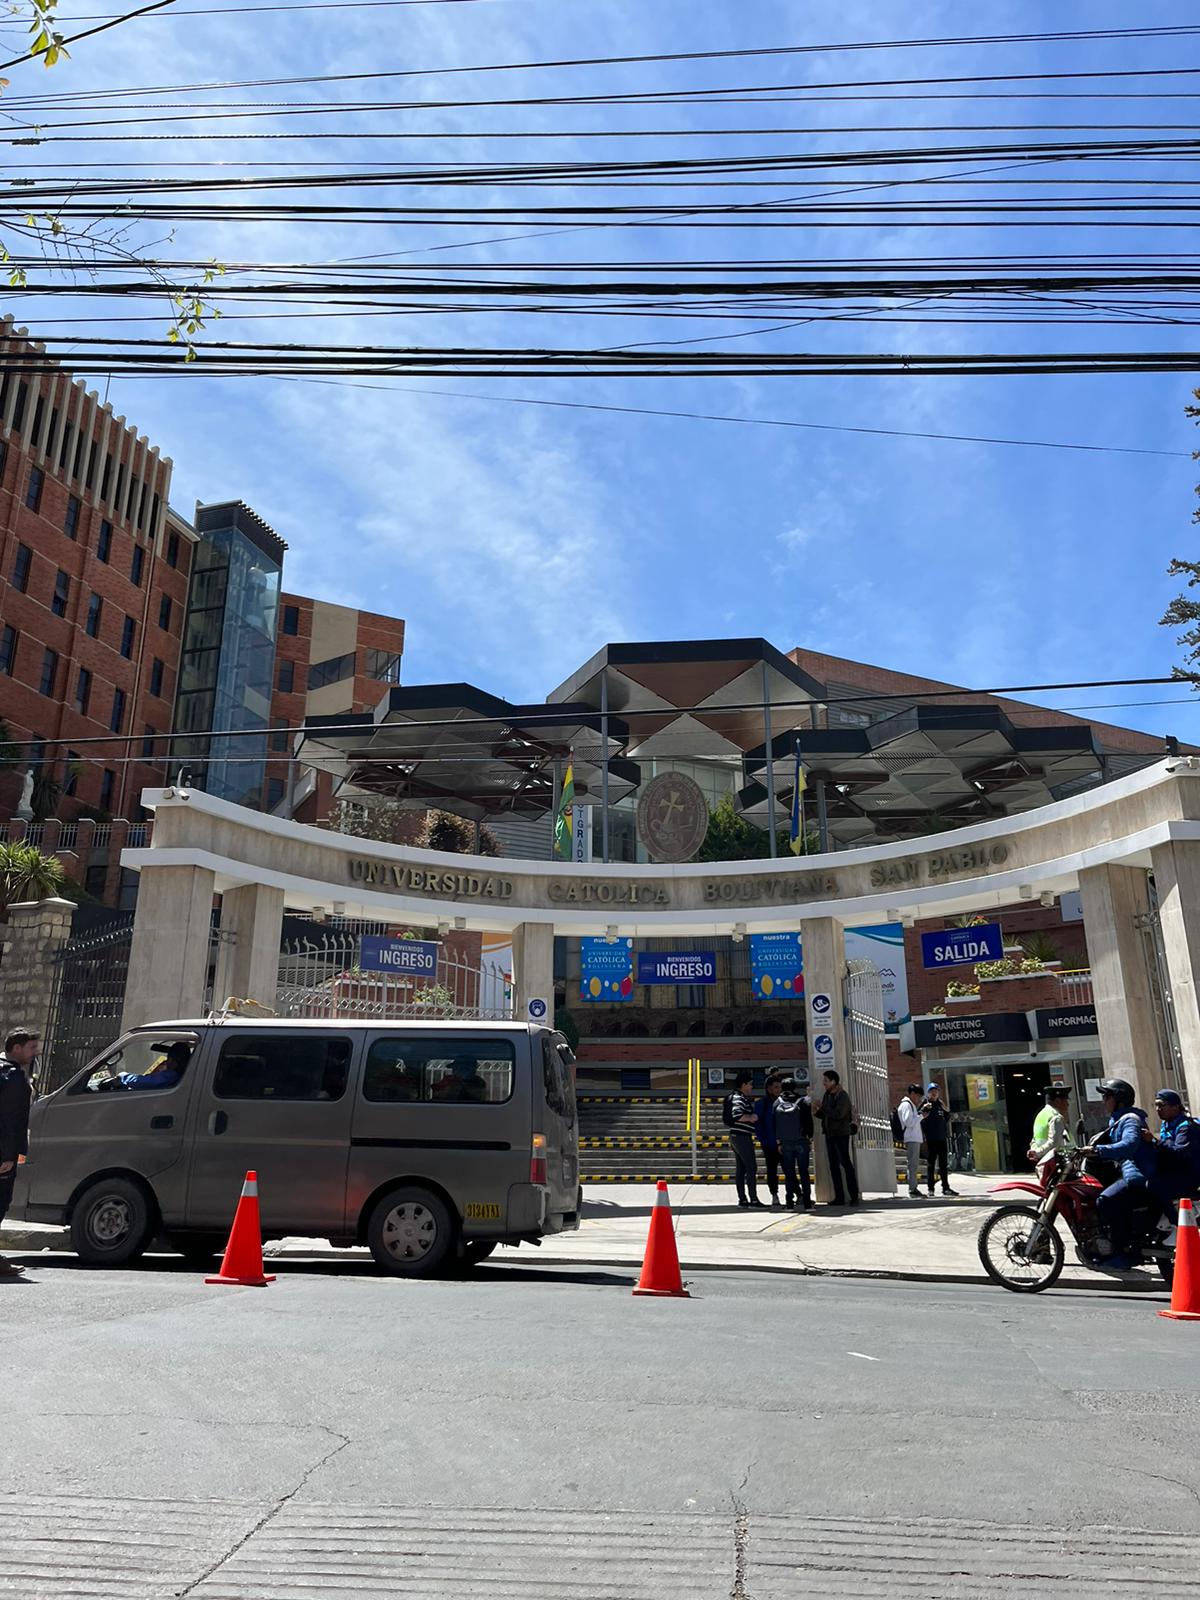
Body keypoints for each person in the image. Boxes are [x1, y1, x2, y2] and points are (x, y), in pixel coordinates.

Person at [1085, 1077, 1157, 1270]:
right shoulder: (1118, 1119)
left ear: (1119, 1100)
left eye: (1107, 1097)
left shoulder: (1130, 1120)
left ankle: (1124, 1252)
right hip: (1127, 1171)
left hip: (1137, 1175)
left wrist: (1099, 1151)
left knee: (1106, 1200)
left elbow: (1129, 1144)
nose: (1104, 1101)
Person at [0, 1027, 40, 1280]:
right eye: (31, 1048)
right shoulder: (13, 1076)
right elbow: (8, 1119)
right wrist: (7, 1156)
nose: (35, 1052)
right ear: (16, 1048)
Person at [1145, 1088, 1200, 1222]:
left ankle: (1176, 1222)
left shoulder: (1185, 1126)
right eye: (1156, 1105)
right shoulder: (1166, 1124)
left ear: (1175, 1107)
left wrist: (1155, 1141)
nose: (1158, 1109)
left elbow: (1179, 1153)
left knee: (1154, 1185)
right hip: (1173, 1171)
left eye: (1161, 1105)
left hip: (1188, 1175)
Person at [814, 1068, 859, 1206]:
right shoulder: (827, 1095)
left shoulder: (842, 1096)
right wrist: (817, 1111)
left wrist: (823, 1108)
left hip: (841, 1134)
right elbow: (826, 1115)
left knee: (845, 1163)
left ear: (834, 1082)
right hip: (829, 1134)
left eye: (826, 1081)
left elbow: (839, 1114)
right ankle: (839, 1197)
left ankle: (854, 1196)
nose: (824, 1083)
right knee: (833, 1166)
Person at [774, 1077, 814, 1210]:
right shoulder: (802, 1102)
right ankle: (807, 1203)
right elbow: (808, 1122)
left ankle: (789, 1203)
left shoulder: (777, 1102)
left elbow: (774, 1123)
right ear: (795, 1087)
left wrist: (778, 1141)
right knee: (804, 1173)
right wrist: (810, 1139)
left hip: (785, 1142)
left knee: (789, 1173)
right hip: (801, 1141)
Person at [726, 1070, 761, 1209]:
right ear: (744, 1084)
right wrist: (752, 1117)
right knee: (751, 1167)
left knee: (741, 1168)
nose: (752, 1087)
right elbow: (737, 1115)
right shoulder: (738, 1098)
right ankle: (753, 1200)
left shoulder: (737, 1097)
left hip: (736, 1136)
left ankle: (743, 1199)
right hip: (741, 1136)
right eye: (750, 1084)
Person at [920, 1081, 958, 1197]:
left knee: (943, 1164)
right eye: (932, 1091)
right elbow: (918, 1117)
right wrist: (924, 1109)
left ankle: (945, 1187)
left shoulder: (940, 1104)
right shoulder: (925, 1104)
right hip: (931, 1139)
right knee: (931, 1164)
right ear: (928, 1093)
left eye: (936, 1091)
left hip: (941, 1138)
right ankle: (930, 1188)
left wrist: (947, 1110)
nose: (934, 1093)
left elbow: (947, 1118)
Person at [755, 1073, 784, 1209]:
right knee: (772, 1170)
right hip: (769, 1144)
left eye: (780, 1087)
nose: (779, 1090)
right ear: (769, 1088)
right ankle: (774, 1194)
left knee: (788, 1169)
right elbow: (758, 1126)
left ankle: (797, 1194)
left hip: (784, 1144)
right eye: (776, 1087)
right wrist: (765, 1141)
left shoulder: (783, 1102)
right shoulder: (762, 1104)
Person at [1029, 1084, 1075, 1166]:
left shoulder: (1040, 1115)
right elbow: (1054, 1144)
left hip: (1044, 1162)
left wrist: (1035, 1151)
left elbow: (1034, 1140)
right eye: (1066, 1100)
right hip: (1057, 1163)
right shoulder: (1056, 1117)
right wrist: (1037, 1153)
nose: (1068, 1104)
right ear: (1057, 1101)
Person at [897, 1083, 926, 1199]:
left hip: (914, 1138)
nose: (919, 1099)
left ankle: (914, 1188)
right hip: (911, 1138)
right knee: (912, 1165)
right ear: (913, 1094)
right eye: (918, 1096)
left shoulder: (910, 1105)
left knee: (914, 1164)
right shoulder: (906, 1105)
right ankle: (912, 1189)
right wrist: (921, 1116)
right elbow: (909, 1122)